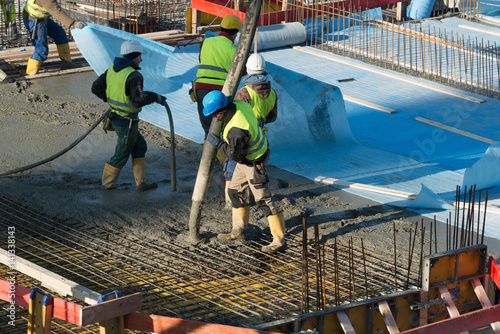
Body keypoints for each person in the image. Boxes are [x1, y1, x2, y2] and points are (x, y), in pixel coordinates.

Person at [202, 90, 286, 254]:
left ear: (221, 113)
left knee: (263, 200)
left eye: (214, 114)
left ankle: (279, 240)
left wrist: (219, 145)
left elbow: (235, 155)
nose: (213, 118)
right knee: (234, 191)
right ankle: (239, 231)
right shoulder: (239, 105)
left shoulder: (237, 130)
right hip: (245, 158)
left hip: (254, 162)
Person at [91, 39, 166, 192]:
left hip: (117, 117)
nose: (141, 59)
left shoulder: (112, 69)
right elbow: (138, 100)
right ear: (134, 56)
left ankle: (142, 183)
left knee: (140, 146)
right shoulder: (134, 75)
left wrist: (109, 98)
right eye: (139, 56)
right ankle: (107, 184)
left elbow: (96, 88)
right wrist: (154, 97)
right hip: (126, 122)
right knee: (122, 153)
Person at [223, 53, 278, 205]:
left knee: (232, 169)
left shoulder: (244, 93)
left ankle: (231, 204)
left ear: (247, 70)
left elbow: (236, 117)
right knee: (257, 174)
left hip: (243, 137)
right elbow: (272, 118)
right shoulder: (272, 93)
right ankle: (254, 200)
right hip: (260, 137)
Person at [193, 14, 243, 138]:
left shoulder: (207, 42)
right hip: (220, 91)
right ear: (235, 32)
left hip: (200, 88)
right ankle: (221, 155)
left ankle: (207, 154)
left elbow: (201, 59)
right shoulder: (234, 49)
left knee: (207, 127)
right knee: (222, 127)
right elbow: (243, 71)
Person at [22, 0, 86, 75]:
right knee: (41, 50)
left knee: (60, 34)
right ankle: (31, 74)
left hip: (43, 18)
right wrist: (73, 22)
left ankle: (67, 64)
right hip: (34, 20)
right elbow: (57, 12)